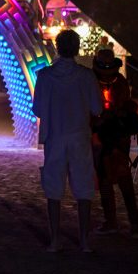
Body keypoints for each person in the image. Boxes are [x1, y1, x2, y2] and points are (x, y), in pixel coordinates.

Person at [32, 30, 102, 252]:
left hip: (55, 136)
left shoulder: (44, 76)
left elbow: (38, 109)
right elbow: (97, 108)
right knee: (83, 188)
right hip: (79, 136)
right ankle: (84, 240)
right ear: (77, 48)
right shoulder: (86, 76)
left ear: (57, 48)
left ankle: (54, 240)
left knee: (53, 189)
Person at [90, 49, 138, 235]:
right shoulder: (114, 82)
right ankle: (126, 220)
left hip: (115, 137)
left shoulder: (119, 83)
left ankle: (119, 221)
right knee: (114, 177)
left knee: (116, 178)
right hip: (107, 136)